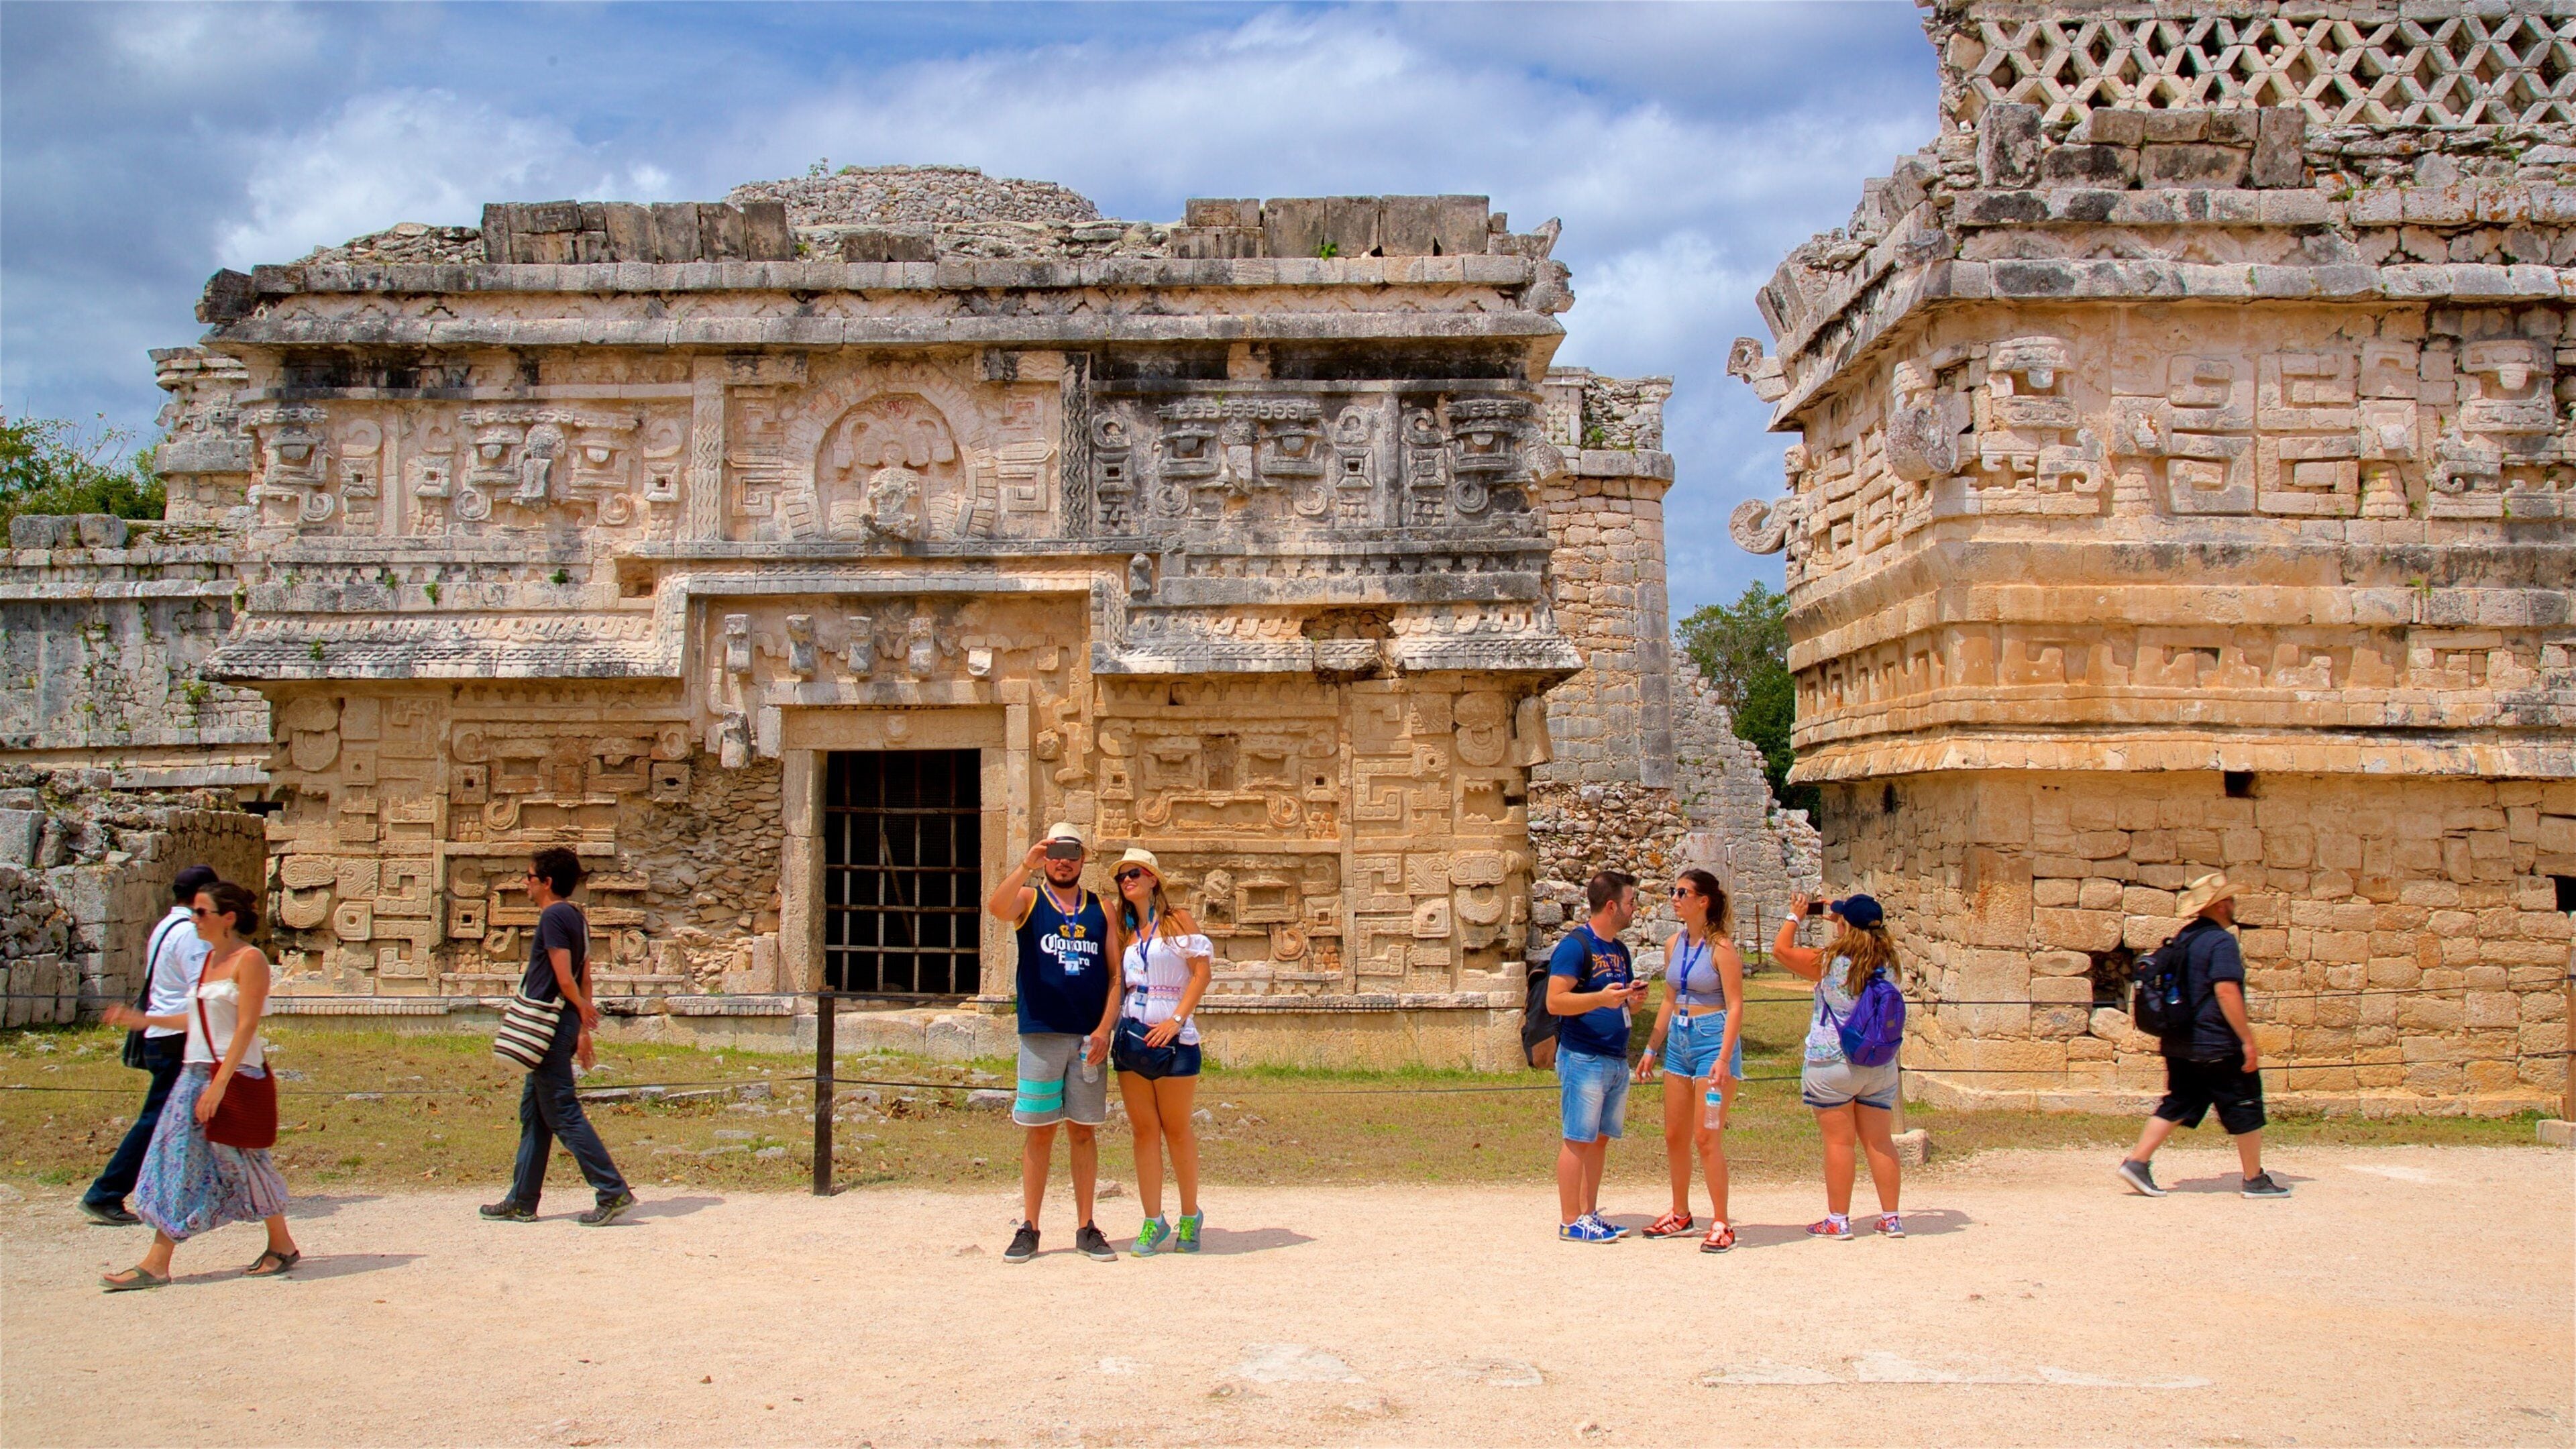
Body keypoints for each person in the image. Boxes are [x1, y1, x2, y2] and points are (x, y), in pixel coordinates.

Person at [97, 880, 299, 1289]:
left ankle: (279, 1244)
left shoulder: (250, 959)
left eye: (201, 912)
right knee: (174, 1160)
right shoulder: (207, 960)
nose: (194, 919)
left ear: (229, 918)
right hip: (194, 1073)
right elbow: (198, 1019)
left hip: (233, 1075)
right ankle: (161, 1261)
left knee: (241, 1161)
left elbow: (246, 1025)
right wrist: (144, 1020)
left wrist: (219, 1084)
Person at [983, 822, 1121, 1264]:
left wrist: (1104, 1030)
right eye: (1055, 852)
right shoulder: (1030, 899)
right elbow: (996, 908)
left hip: (1087, 1037)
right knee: (1039, 1134)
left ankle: (1085, 1224)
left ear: (1083, 860)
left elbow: (1116, 974)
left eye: (1071, 853)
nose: (1063, 861)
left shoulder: (1102, 908)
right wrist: (1025, 863)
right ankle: (1030, 1226)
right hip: (1041, 1032)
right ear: (1046, 856)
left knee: (1083, 1132)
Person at [481, 847, 636, 1226]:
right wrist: (582, 1026)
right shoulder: (577, 918)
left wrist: (582, 1011)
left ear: (547, 882)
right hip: (564, 1022)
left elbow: (565, 976)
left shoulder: (552, 917)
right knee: (535, 1113)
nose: (526, 884)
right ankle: (521, 1199)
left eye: (530, 878)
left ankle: (611, 1189)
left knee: (562, 1111)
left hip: (547, 1025)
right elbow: (586, 977)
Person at [2118, 872, 2290, 1199]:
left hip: (2179, 1040)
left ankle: (2137, 1162)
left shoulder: (2185, 937)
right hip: (2216, 1042)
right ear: (2222, 905)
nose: (2234, 905)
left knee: (2180, 1100)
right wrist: (2246, 1040)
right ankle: (2254, 1179)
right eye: (2231, 899)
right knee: (2246, 1102)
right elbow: (2225, 991)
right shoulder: (2222, 942)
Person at [81, 864, 219, 1226]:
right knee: (159, 1119)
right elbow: (201, 989)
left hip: (166, 1034)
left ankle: (194, 1189)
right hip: (178, 1036)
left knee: (181, 1118)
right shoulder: (191, 933)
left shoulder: (165, 926)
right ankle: (106, 1192)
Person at [1772, 892, 1905, 1240]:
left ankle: (1838, 1219)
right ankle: (1891, 1218)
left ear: (1846, 925)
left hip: (1834, 1058)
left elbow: (1781, 952)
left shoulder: (1831, 962)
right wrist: (1845, 920)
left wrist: (1794, 916)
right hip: (1879, 1062)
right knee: (1880, 1141)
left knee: (1839, 1143)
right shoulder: (1890, 963)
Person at [1106, 847, 1214, 1256]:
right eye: (1122, 876)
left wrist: (1177, 1021)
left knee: (1177, 1128)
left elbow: (1201, 974)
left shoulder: (1178, 922)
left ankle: (1190, 1214)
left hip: (1175, 1036)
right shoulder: (1124, 931)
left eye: (1134, 873)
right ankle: (1153, 1219)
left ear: (1153, 878)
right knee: (1143, 1131)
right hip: (1134, 1034)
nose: (1127, 880)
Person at [1635, 869, 1746, 1252]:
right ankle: (1680, 1212)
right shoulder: (1673, 944)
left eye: (1682, 892)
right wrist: (1651, 1048)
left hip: (1712, 1041)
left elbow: (1735, 1007)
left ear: (1704, 901)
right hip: (1679, 1044)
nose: (1674, 897)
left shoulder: (1723, 949)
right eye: (1672, 891)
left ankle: (1722, 1222)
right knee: (1674, 1135)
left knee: (1707, 1136)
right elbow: (1668, 1000)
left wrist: (1724, 1057)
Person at [1549, 869, 1650, 1242]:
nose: (1634, 909)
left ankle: (1589, 1213)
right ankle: (1570, 1219)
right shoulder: (1576, 946)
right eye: (1630, 902)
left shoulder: (1619, 950)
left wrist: (1632, 1000)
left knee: (1599, 1139)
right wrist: (1601, 998)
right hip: (1583, 1057)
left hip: (1614, 1057)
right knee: (1577, 1137)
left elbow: (1621, 1006)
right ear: (1612, 906)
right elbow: (1555, 1000)